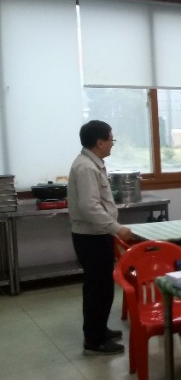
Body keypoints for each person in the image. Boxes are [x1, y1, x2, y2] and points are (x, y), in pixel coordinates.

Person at [68, 120, 131, 356]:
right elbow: (89, 207)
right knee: (97, 289)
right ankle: (94, 340)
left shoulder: (92, 164)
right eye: (111, 139)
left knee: (103, 287)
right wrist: (116, 228)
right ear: (100, 142)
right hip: (91, 238)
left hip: (97, 235)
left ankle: (100, 330)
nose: (113, 143)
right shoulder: (86, 167)